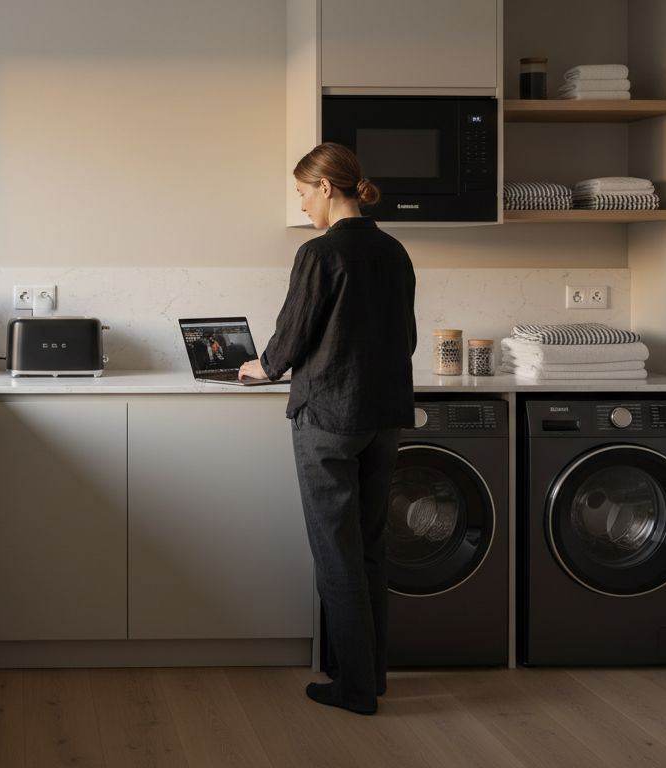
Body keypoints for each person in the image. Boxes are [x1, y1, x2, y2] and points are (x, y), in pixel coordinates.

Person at [238, 142, 416, 715]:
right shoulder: (395, 251)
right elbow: (407, 340)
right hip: (384, 416)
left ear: (327, 188)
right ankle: (371, 675)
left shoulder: (319, 253)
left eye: (302, 192)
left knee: (335, 554)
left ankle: (354, 689)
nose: (303, 203)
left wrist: (260, 367)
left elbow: (291, 336)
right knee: (368, 549)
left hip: (329, 419)